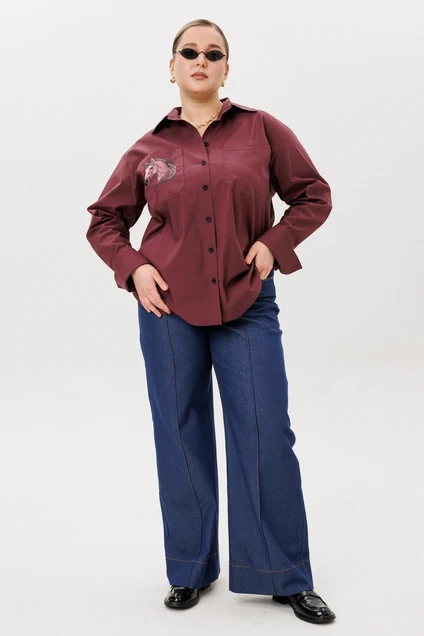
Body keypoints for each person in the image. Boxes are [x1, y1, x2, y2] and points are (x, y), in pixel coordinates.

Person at [86, 18, 336, 624]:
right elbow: (104, 221)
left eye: (213, 53)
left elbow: (313, 194)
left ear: (227, 68)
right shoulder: (148, 149)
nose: (201, 60)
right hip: (168, 308)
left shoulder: (262, 130)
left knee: (265, 431)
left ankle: (283, 573)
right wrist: (134, 269)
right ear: (172, 66)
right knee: (180, 431)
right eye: (189, 51)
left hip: (246, 301)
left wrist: (274, 243)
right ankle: (189, 569)